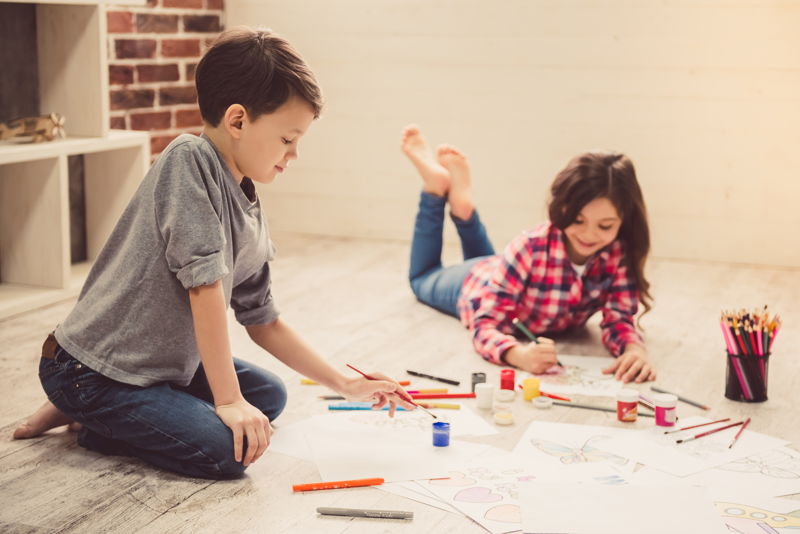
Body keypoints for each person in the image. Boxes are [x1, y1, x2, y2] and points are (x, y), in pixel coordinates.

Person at [11, 27, 414, 479]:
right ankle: (89, 410)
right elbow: (205, 291)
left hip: (158, 367)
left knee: (268, 397)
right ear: (238, 120)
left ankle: (105, 411)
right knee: (227, 451)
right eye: (287, 139)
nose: (295, 154)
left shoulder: (248, 200)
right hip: (90, 371)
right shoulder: (188, 160)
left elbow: (263, 320)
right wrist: (227, 401)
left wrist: (345, 383)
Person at [401, 125, 656, 383]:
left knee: (495, 265)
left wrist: (634, 349)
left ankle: (462, 208)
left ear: (624, 221)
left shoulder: (617, 254)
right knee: (422, 278)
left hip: (503, 272)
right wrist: (518, 355)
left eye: (605, 226)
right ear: (561, 207)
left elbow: (619, 319)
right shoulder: (529, 247)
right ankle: (435, 189)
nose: (589, 234)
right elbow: (485, 324)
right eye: (577, 220)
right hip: (472, 285)